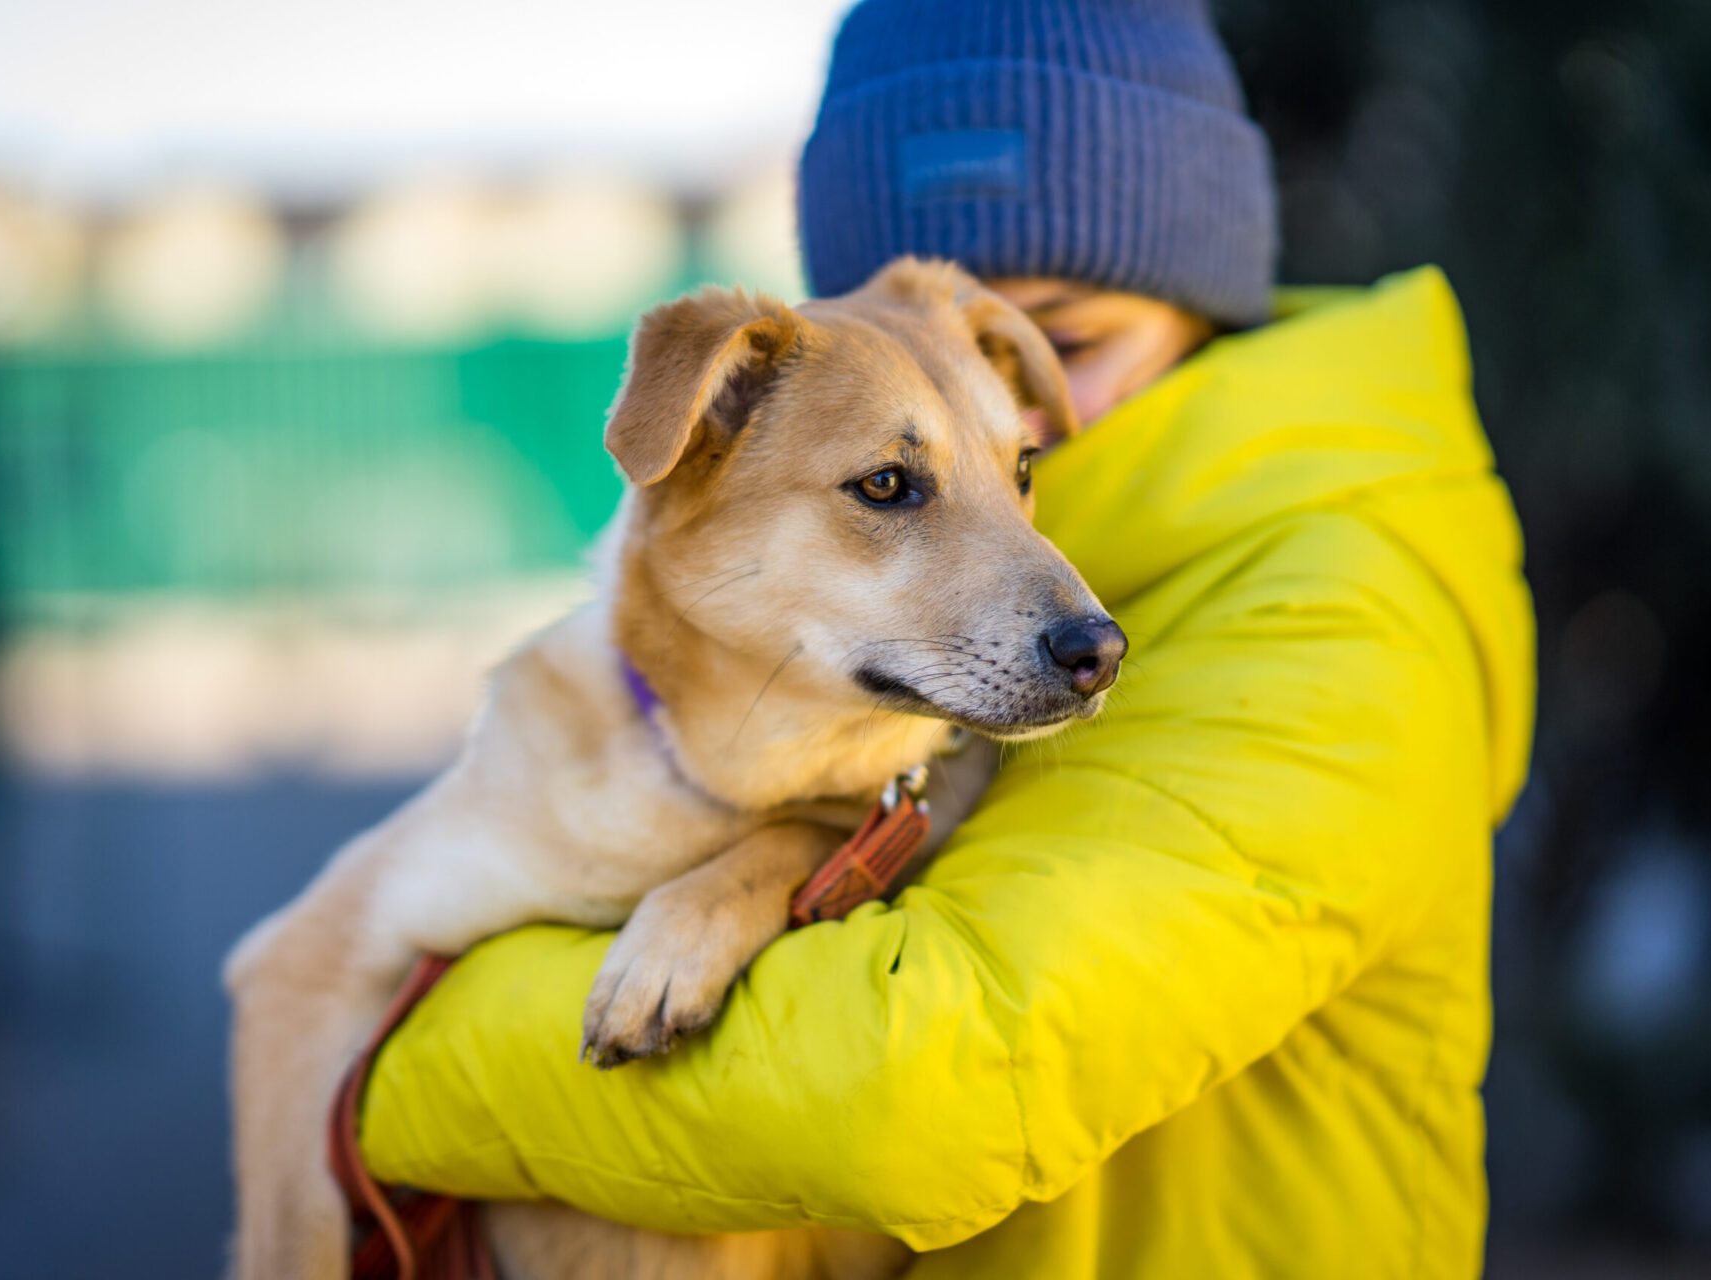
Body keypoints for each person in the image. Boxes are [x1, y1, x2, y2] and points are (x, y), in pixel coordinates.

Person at [356, 0, 1535, 1275]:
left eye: (1058, 348)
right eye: (924, 365)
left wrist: (403, 1070)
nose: (1031, 416)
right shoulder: (1011, 601)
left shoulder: (1340, 605)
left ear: (1201, 288)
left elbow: (924, 1088)